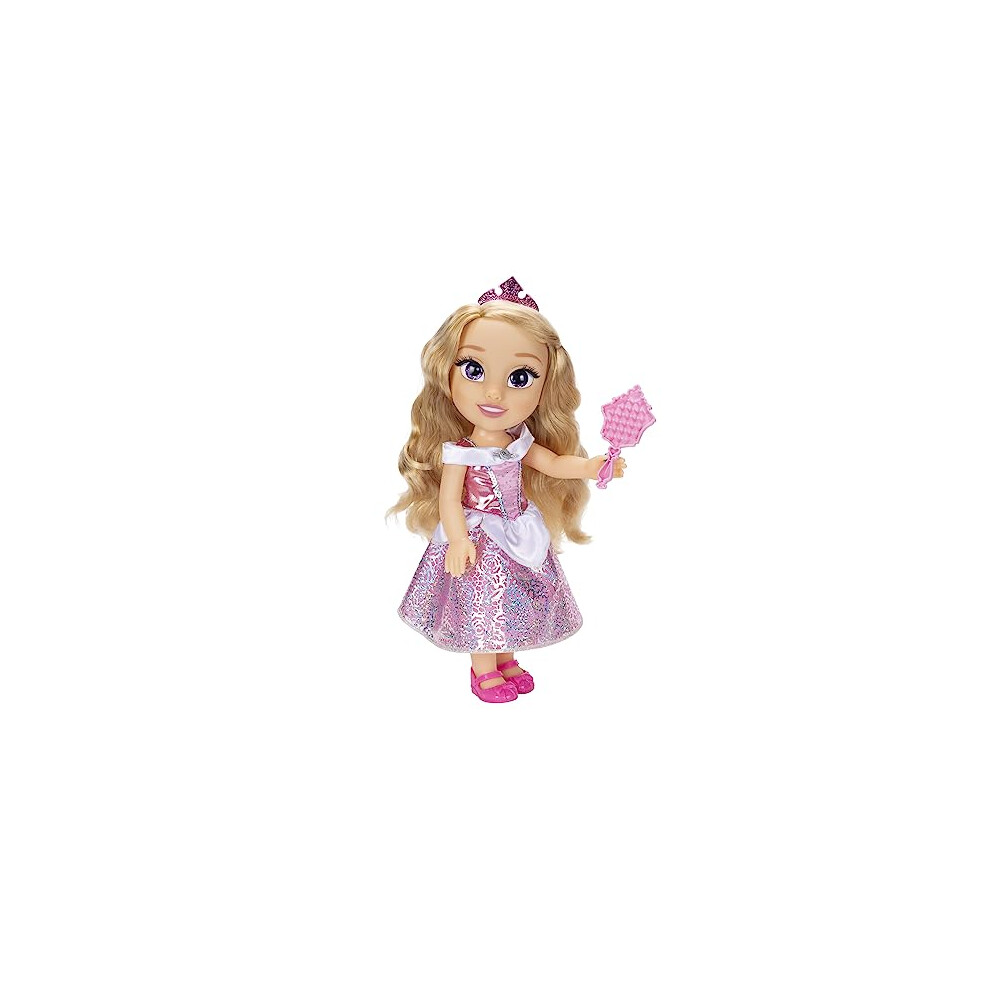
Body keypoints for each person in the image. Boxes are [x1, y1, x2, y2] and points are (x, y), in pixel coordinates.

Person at [390, 278, 625, 703]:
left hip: (519, 531)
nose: (494, 392)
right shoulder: (460, 452)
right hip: (478, 538)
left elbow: (551, 463)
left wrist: (591, 466)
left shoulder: (518, 441)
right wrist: (458, 539)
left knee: (513, 598)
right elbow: (449, 499)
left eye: (520, 377)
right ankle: (483, 669)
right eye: (474, 370)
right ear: (447, 373)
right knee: (482, 600)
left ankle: (506, 659)